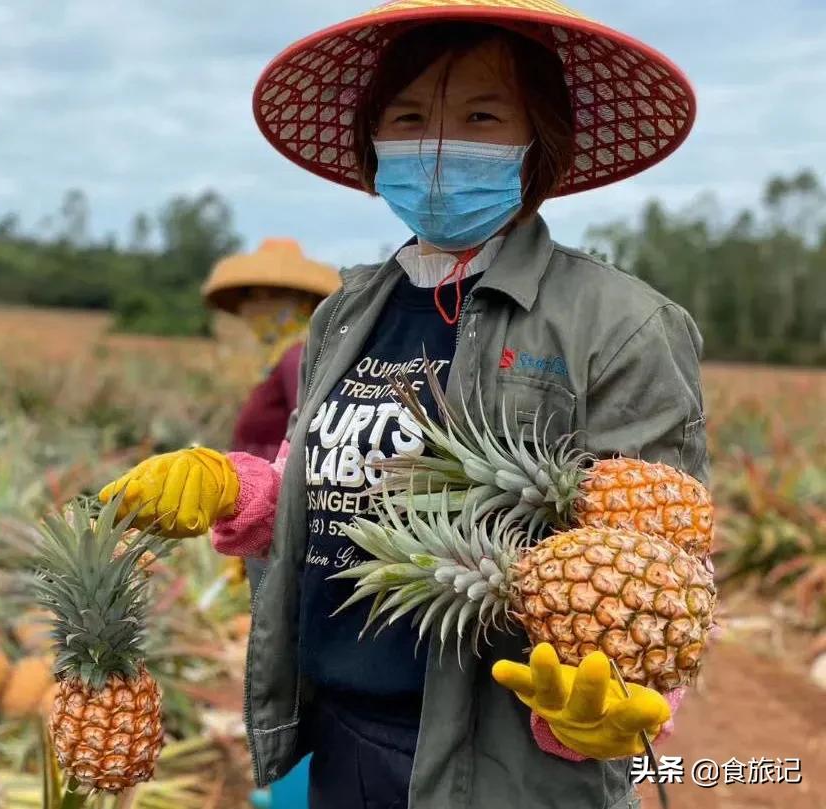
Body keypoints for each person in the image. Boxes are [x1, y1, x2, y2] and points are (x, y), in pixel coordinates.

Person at [101, 2, 709, 807]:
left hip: (503, 764)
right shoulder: (347, 309)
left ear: (540, 138)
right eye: (410, 117)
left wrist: (623, 699)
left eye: (481, 116)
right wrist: (232, 485)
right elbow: (322, 473)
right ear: (373, 139)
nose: (434, 147)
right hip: (341, 735)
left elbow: (657, 561)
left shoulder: (622, 323)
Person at [202, 237, 341, 592]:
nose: (255, 309)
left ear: (302, 302)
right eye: (252, 297)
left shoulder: (298, 354)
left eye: (269, 298)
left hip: (276, 513)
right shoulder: (281, 356)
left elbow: (308, 432)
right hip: (260, 510)